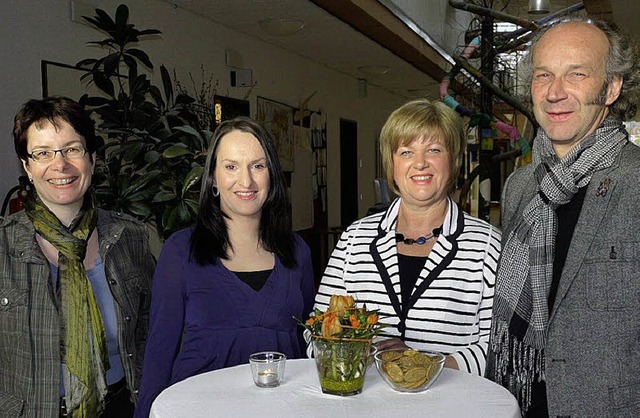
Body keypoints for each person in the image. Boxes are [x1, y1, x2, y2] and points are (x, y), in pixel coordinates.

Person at [486, 18, 640, 417]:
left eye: (577, 74)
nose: (555, 92)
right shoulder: (520, 187)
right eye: (544, 75)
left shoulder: (635, 181)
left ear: (611, 87)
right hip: (519, 402)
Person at [135, 116, 315, 417]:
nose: (246, 181)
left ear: (271, 176)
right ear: (213, 180)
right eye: (231, 167)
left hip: (283, 409)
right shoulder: (181, 251)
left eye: (257, 166)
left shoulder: (297, 252)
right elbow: (160, 349)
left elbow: (308, 343)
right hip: (198, 409)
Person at [313, 98, 501, 376]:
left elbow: (501, 348)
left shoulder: (487, 245)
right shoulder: (354, 239)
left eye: (434, 150)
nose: (420, 163)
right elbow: (316, 332)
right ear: (391, 164)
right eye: (406, 152)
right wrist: (354, 351)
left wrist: (421, 365)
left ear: (454, 160)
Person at [0, 96, 156, 418]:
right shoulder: (3, 246)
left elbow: (148, 333)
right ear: (27, 167)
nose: (60, 165)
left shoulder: (129, 238)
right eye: (43, 153)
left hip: (120, 407)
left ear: (92, 159)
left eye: (72, 149)